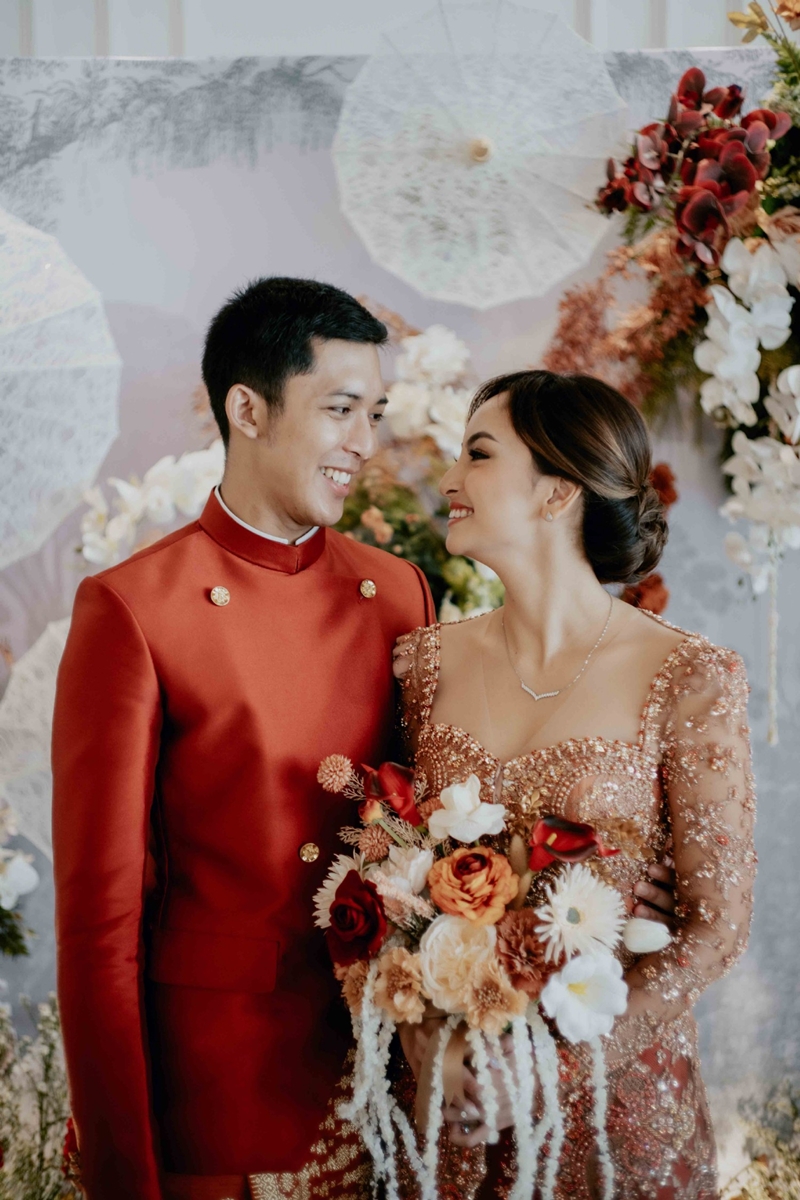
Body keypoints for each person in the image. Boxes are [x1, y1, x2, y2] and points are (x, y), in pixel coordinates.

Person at [51, 277, 437, 1200]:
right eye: (340, 409)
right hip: (216, 1096)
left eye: (375, 413)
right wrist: (121, 1168)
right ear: (248, 409)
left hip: (380, 1080)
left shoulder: (400, 592)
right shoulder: (134, 609)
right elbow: (98, 928)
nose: (364, 442)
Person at [392, 370, 756, 1200]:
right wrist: (422, 1034)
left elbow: (715, 929)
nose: (448, 479)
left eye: (478, 454)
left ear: (558, 492)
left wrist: (547, 1073)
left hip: (615, 1112)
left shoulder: (690, 675)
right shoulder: (422, 664)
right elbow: (396, 873)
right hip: (458, 1099)